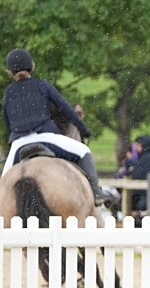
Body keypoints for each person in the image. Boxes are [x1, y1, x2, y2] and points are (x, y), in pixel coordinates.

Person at [1, 48, 115, 205]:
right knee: (84, 152)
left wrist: (14, 142)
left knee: (3, 184)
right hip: (47, 138)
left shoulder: (8, 93)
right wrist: (84, 130)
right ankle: (96, 193)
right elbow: (66, 108)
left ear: (9, 72)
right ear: (32, 67)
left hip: (19, 144)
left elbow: (8, 124)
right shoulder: (42, 85)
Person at [127, 134, 150, 214]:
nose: (136, 147)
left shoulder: (145, 160)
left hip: (144, 198)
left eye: (138, 145)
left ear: (144, 146)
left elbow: (136, 175)